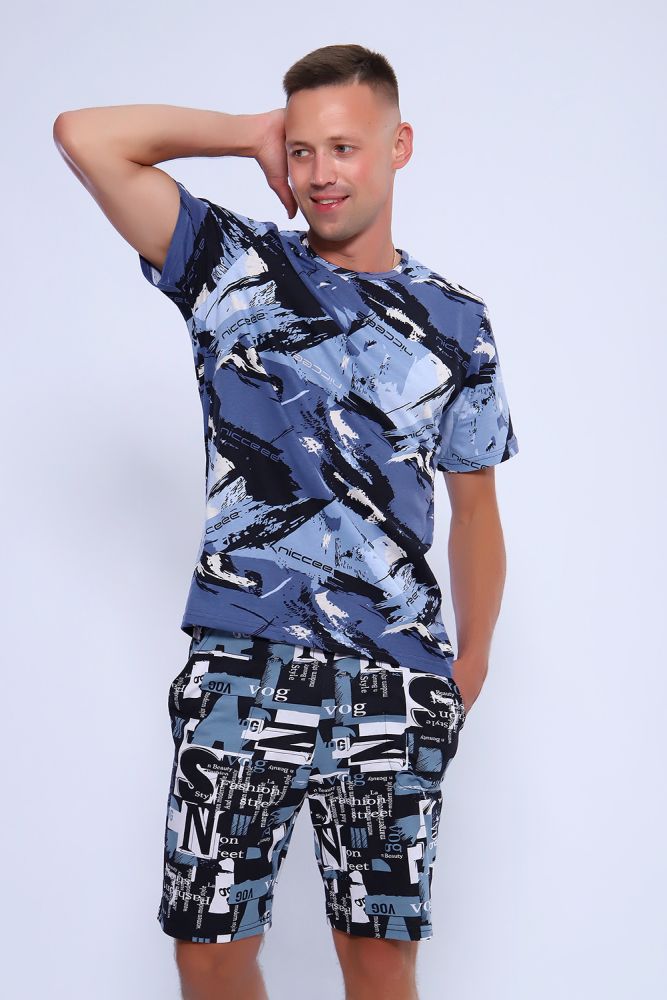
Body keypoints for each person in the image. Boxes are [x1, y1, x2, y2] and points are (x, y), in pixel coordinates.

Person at [54, 43, 519, 1000]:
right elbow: (84, 137)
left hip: (393, 679)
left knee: (378, 961)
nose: (319, 173)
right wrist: (249, 134)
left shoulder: (456, 322)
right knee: (208, 948)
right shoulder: (232, 267)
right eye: (302, 150)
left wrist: (468, 666)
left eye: (344, 147)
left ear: (399, 145)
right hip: (241, 667)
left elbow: (474, 509)